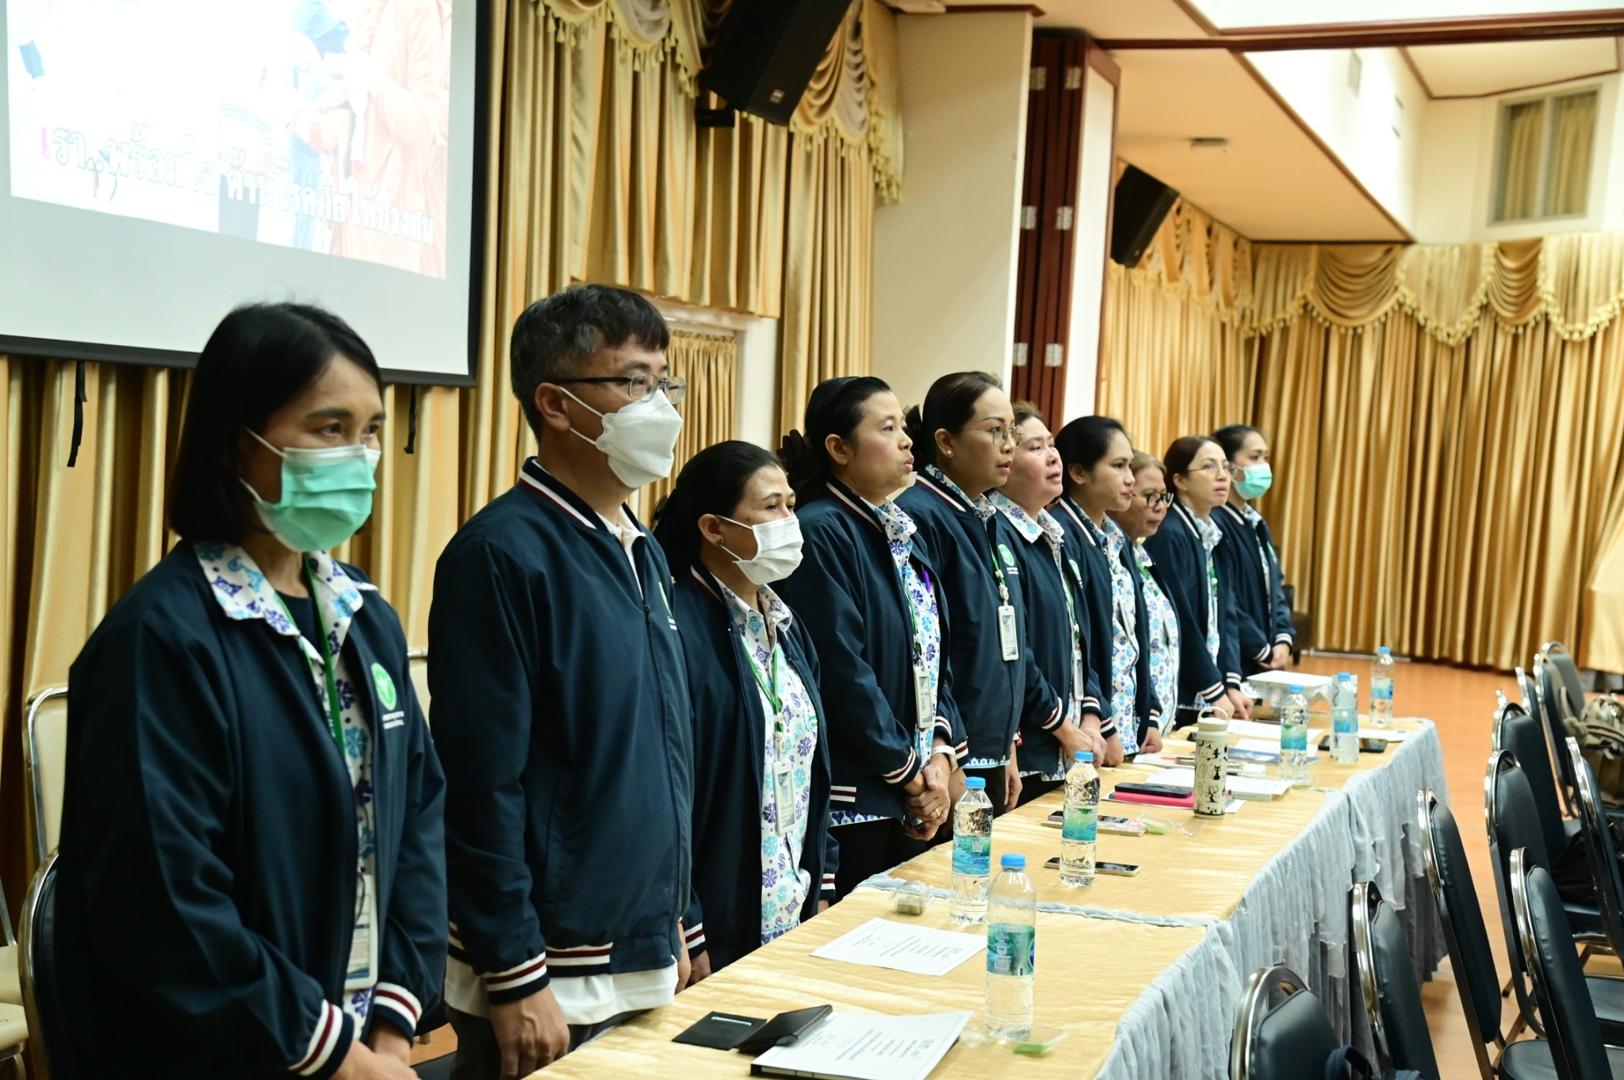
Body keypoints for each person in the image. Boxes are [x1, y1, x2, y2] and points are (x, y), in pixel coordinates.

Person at [54, 303, 445, 1080]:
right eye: (329, 428)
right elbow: (164, 901)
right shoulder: (162, 640)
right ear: (237, 444)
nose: (361, 455)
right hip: (224, 1055)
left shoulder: (365, 615)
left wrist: (392, 1026)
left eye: (371, 430)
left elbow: (418, 818)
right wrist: (328, 1052)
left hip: (364, 1043)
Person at [429, 285, 694, 1078]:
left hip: (639, 943)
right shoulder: (500, 554)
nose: (659, 407)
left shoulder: (642, 547)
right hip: (549, 969)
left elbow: (664, 750)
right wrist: (514, 968)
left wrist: (679, 921)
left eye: (664, 383)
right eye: (634, 381)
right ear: (555, 403)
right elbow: (481, 783)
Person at [777, 377, 966, 898]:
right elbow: (843, 673)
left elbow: (934, 656)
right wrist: (911, 774)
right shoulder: (823, 529)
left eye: (903, 426)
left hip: (913, 787)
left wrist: (941, 755)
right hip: (861, 794)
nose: (906, 440)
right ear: (839, 449)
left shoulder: (898, 527)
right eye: (886, 429)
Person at [653, 441, 838, 973]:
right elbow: (667, 792)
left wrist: (822, 880)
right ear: (714, 528)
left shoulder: (787, 626)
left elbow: (811, 768)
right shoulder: (677, 628)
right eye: (771, 507)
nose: (790, 521)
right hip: (716, 922)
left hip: (791, 907)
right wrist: (689, 923)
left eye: (791, 504)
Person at [898, 373, 1066, 813]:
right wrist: (949, 750)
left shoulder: (984, 514)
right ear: (946, 442)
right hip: (951, 757)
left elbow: (1007, 642)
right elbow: (933, 650)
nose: (1008, 445)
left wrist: (1009, 742)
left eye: (1012, 433)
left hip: (990, 749)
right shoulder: (921, 516)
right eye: (994, 431)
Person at [989, 404, 1109, 798]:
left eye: (1052, 444)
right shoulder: (999, 533)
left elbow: (1080, 640)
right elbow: (1016, 652)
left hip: (1071, 746)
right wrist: (1063, 727)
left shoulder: (1055, 535)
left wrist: (1090, 716)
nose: (1053, 456)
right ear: (1005, 463)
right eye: (1035, 447)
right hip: (1032, 750)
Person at [1052, 417, 1156, 761]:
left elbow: (1132, 635)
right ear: (1079, 472)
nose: (1130, 478)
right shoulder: (1063, 535)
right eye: (1118, 466)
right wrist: (1104, 723)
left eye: (1130, 466)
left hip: (1126, 723)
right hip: (1092, 731)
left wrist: (1149, 711)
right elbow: (1084, 640)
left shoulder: (1115, 537)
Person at [1144, 435, 1252, 721]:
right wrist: (1213, 688)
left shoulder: (1213, 531)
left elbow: (1225, 614)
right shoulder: (1169, 534)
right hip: (1184, 686)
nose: (1222, 475)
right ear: (1180, 480)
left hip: (1210, 682)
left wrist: (1231, 682)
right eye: (1208, 466)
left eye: (1225, 466)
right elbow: (1182, 618)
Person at [1212, 424, 1295, 675]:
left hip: (1266, 656)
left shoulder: (1255, 521)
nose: (1263, 466)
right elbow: (1224, 599)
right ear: (1228, 466)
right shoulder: (1215, 523)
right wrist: (1260, 649)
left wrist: (1283, 638)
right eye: (1254, 457)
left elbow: (1275, 586)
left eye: (1265, 457)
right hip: (1236, 659)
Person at [1109, 453, 1181, 741]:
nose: (1160, 506)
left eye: (1163, 497)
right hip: (1117, 730)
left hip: (1152, 725)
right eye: (1150, 496)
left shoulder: (1140, 556)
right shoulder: (1107, 554)